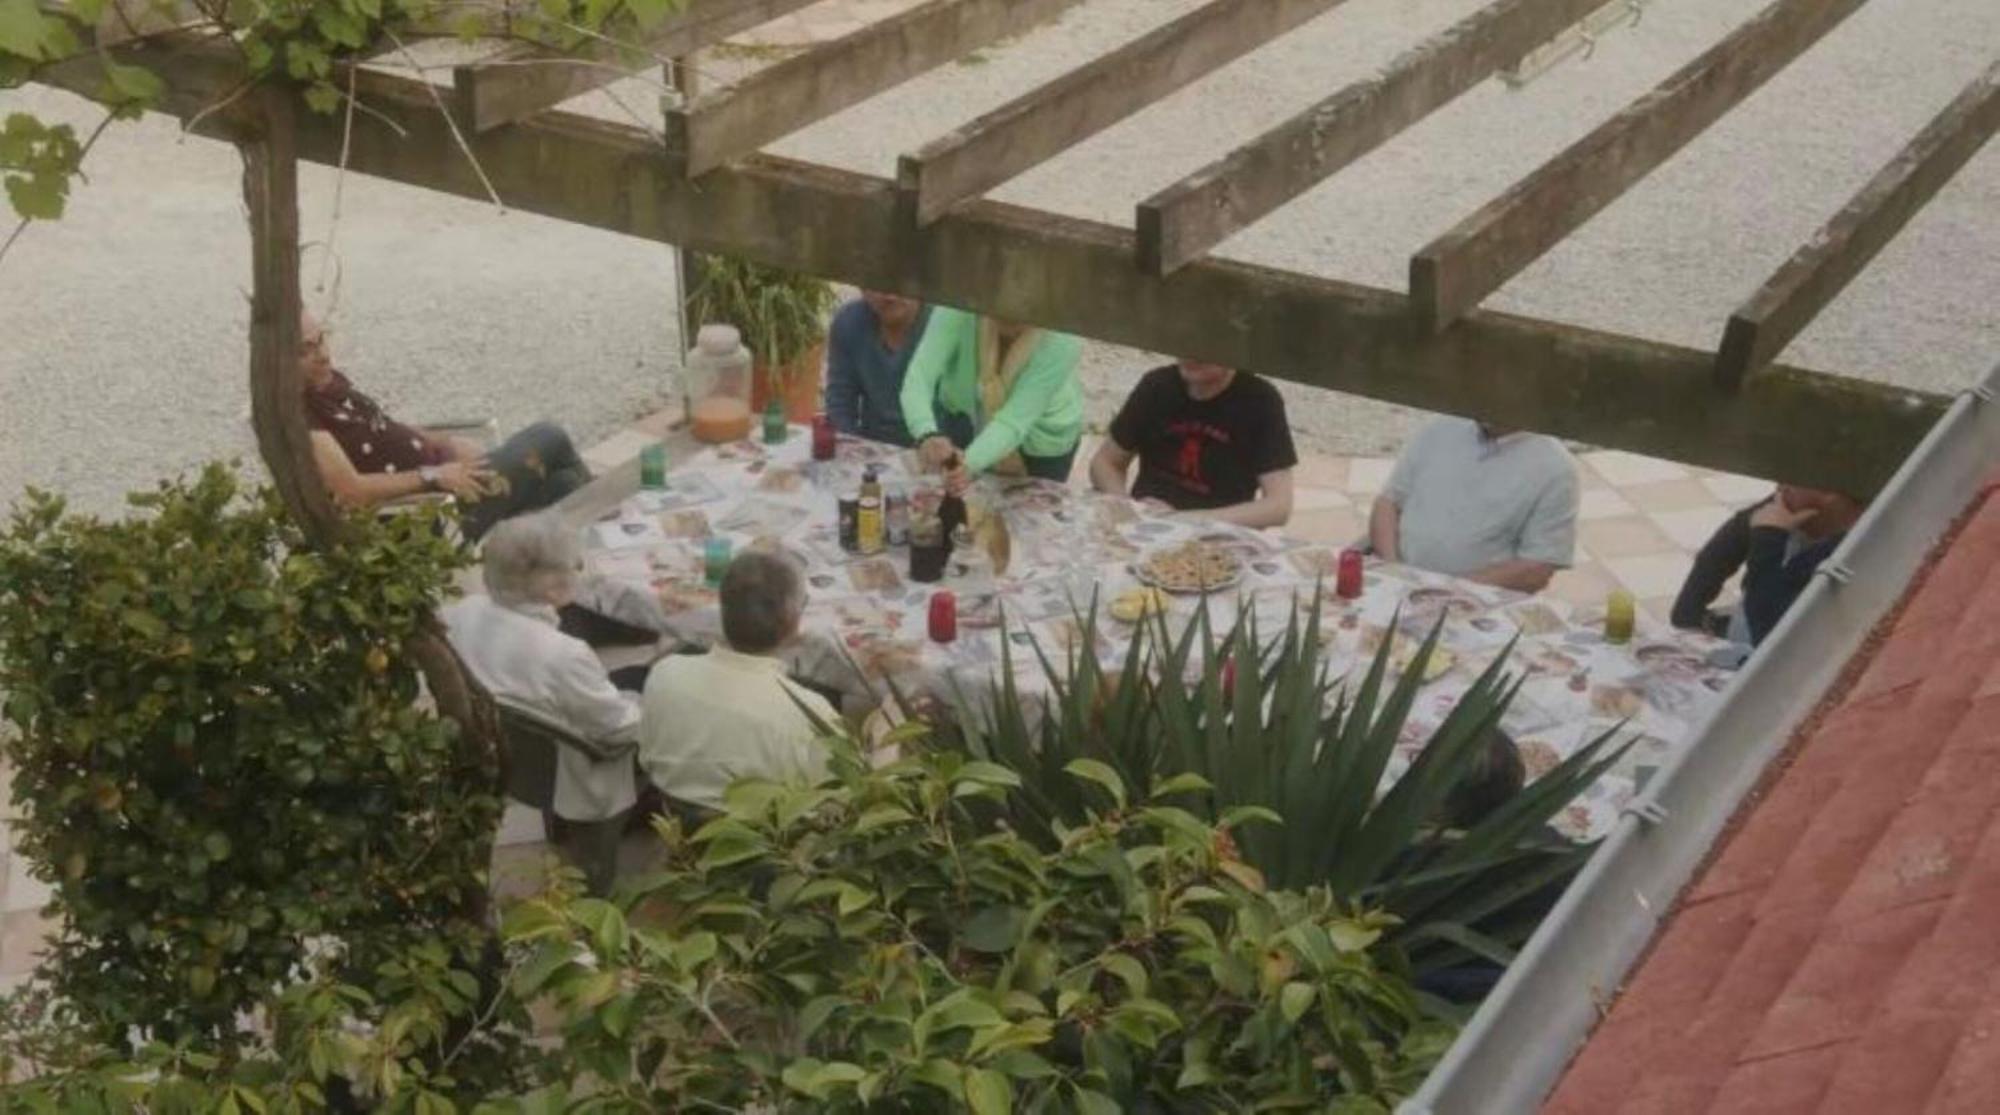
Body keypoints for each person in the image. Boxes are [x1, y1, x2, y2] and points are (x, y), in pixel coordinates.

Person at [440, 514, 640, 892]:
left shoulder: (459, 613)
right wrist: (646, 705)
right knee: (649, 689)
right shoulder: (562, 654)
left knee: (633, 676)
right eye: (574, 567)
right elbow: (618, 727)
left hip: (500, 751)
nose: (578, 573)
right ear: (551, 587)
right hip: (567, 769)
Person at [300, 312, 592, 541]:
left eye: (322, 339)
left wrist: (442, 443)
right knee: (550, 436)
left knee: (563, 483)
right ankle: (610, 536)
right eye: (306, 349)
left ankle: (576, 567)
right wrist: (435, 475)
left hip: (447, 480)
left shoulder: (327, 386)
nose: (323, 354)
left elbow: (382, 429)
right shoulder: (300, 418)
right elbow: (352, 491)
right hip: (428, 512)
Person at [639, 550, 838, 812]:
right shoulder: (812, 715)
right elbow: (840, 803)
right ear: (793, 621)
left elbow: (647, 759)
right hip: (770, 843)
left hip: (678, 828)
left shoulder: (664, 674)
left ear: (721, 611)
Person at [1369, 418, 1579, 593]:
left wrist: (1449, 591)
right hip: (1398, 582)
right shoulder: (1440, 428)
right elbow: (1389, 501)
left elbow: (1537, 568)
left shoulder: (1556, 468)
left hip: (1474, 604)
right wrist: (1393, 570)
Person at [1089, 359, 1297, 528]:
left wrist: (1185, 520)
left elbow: (1278, 507)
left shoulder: (1259, 400)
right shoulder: (1157, 385)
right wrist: (1129, 508)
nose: (1191, 354)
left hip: (1217, 538)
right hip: (1146, 527)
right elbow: (1105, 462)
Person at [900, 308, 1084, 486]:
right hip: (966, 415)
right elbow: (920, 376)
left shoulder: (1064, 337)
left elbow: (1015, 420)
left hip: (1040, 437)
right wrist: (926, 434)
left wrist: (967, 465)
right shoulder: (959, 305)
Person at [1671, 484, 1862, 649]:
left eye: (1789, 483)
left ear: (1829, 492)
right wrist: (1689, 614)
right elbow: (1723, 548)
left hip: (1775, 653)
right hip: (1742, 636)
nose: (1779, 490)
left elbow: (1767, 626)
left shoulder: (1845, 554)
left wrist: (1768, 537)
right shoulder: (1794, 504)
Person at [825, 291, 931, 446]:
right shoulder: (849, 321)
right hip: (873, 449)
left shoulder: (944, 323)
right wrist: (852, 451)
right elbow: (840, 405)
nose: (890, 295)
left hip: (934, 450)